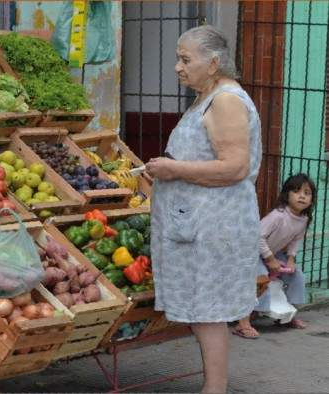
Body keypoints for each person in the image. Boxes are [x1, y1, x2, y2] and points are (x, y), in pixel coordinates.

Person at [146, 25, 262, 394]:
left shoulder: (226, 100)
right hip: (199, 224)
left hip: (214, 226)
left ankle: (215, 388)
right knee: (204, 310)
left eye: (185, 59)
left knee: (209, 312)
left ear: (212, 63)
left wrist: (173, 169)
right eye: (177, 59)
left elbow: (235, 167)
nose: (178, 67)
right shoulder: (207, 98)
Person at [233, 174, 316, 339]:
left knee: (297, 276)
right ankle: (243, 323)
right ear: (287, 195)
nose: (302, 196)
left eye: (307, 193)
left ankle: (287, 316)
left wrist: (291, 259)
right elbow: (257, 237)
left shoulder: (303, 219)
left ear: (311, 199)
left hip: (271, 251)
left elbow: (295, 240)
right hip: (250, 251)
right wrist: (270, 260)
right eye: (297, 191)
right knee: (260, 279)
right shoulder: (278, 216)